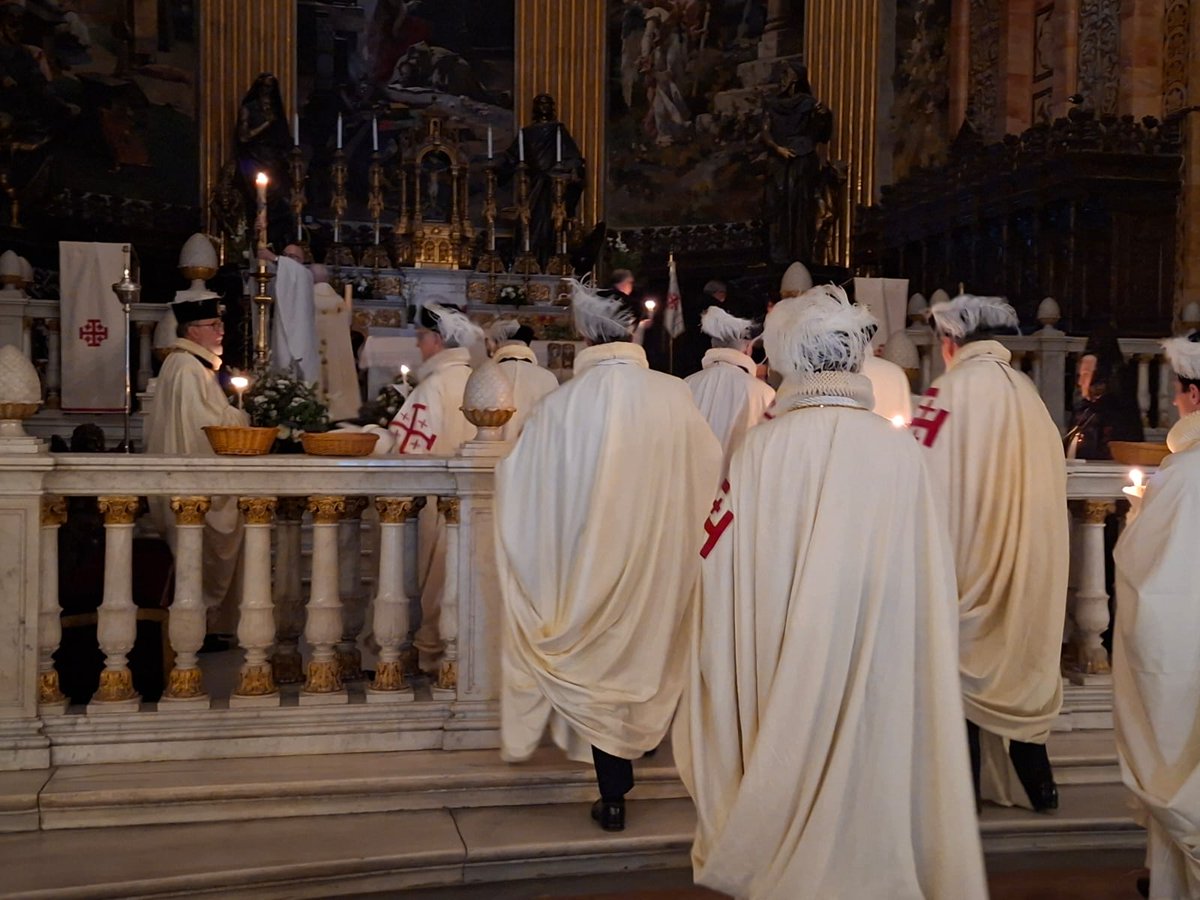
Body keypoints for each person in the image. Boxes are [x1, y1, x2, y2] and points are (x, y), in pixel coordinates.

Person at [675, 285, 986, 900]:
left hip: (784, 657)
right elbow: (927, 573)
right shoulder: (899, 452)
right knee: (876, 759)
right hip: (884, 661)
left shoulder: (764, 448)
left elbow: (719, 563)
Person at [495, 280, 722, 832]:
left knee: (600, 658)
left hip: (587, 561)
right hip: (658, 560)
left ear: (580, 333)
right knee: (645, 650)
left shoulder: (559, 407)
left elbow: (521, 489)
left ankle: (613, 789)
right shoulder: (675, 395)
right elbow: (707, 467)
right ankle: (633, 749)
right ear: (633, 329)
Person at [916, 294, 1069, 812]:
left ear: (950, 341)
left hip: (966, 564)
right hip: (1027, 563)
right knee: (1019, 663)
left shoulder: (948, 390)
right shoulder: (1027, 394)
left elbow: (923, 482)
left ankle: (960, 793)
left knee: (961, 661)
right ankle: (1039, 784)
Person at [1113, 331, 1200, 900]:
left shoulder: (1185, 475)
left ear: (1193, 393)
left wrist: (1138, 517)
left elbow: (1150, 579)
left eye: (1177, 391)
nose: (1172, 403)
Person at [144, 296, 250, 641]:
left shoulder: (191, 365)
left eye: (220, 324)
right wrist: (239, 414)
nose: (221, 331)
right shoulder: (188, 369)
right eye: (213, 326)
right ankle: (202, 628)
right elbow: (203, 429)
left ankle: (208, 627)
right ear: (192, 330)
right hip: (194, 484)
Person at [389, 303, 480, 673]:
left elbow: (406, 447)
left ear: (438, 340)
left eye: (421, 337)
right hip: (481, 498)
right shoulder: (483, 380)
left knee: (437, 580)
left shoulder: (434, 386)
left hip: (438, 500)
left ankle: (431, 652)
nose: (418, 346)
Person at [684, 306, 774, 472]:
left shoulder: (685, 386)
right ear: (748, 348)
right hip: (736, 492)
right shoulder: (764, 394)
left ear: (713, 344)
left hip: (689, 493)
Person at [501, 93, 585, 268]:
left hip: (554, 187)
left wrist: (570, 170)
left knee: (550, 225)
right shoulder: (527, 133)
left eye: (547, 104)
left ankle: (548, 260)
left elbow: (574, 158)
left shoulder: (558, 131)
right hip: (533, 186)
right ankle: (527, 259)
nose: (544, 107)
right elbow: (511, 157)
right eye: (540, 104)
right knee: (527, 222)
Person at [761, 61, 833, 265]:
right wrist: (778, 149)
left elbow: (821, 135)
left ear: (796, 78)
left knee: (800, 205)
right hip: (779, 160)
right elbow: (765, 131)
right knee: (776, 205)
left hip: (802, 159)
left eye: (786, 74)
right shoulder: (772, 103)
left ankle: (800, 252)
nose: (782, 79)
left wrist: (824, 116)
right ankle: (778, 253)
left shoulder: (808, 104)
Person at [1065, 326, 1144, 460]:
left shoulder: (1118, 373)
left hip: (1111, 438)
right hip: (1089, 436)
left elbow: (1122, 408)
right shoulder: (1115, 369)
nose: (1081, 380)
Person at [489, 320, 559, 441]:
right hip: (533, 456)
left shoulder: (484, 376)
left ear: (495, 344)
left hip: (486, 455)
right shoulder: (547, 378)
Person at [260, 245, 319, 384]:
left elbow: (292, 269)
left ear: (302, 260)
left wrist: (274, 258)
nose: (287, 260)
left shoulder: (305, 274)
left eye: (292, 257)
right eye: (285, 255)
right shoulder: (280, 273)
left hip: (298, 331)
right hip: (280, 328)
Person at [311, 264, 362, 422]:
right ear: (326, 279)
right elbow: (347, 323)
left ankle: (312, 409)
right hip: (336, 354)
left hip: (314, 351)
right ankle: (339, 412)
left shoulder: (307, 298)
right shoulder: (338, 300)